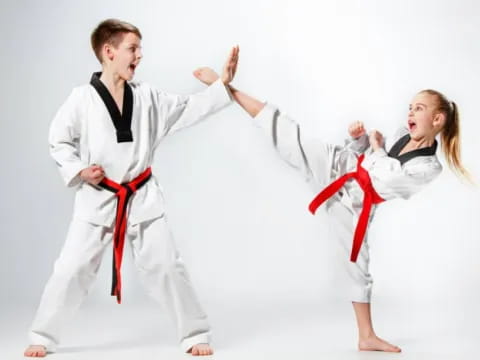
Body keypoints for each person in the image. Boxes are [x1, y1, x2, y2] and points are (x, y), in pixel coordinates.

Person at [193, 66, 469, 352]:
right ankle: (229, 89)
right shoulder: (402, 133)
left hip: (356, 207)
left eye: (418, 109)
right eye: (410, 107)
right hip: (341, 167)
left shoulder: (429, 166)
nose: (410, 113)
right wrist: (360, 140)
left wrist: (375, 148)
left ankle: (366, 336)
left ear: (437, 119)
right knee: (288, 133)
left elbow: (388, 178)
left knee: (357, 266)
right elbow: (371, 159)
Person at [24, 19, 239, 357]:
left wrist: (222, 85)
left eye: (140, 49)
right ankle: (43, 336)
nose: (140, 55)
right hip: (98, 198)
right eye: (133, 48)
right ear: (108, 52)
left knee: (167, 265)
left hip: (142, 197)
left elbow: (188, 108)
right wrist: (80, 170)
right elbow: (59, 141)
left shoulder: (148, 96)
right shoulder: (81, 99)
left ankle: (195, 334)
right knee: (70, 270)